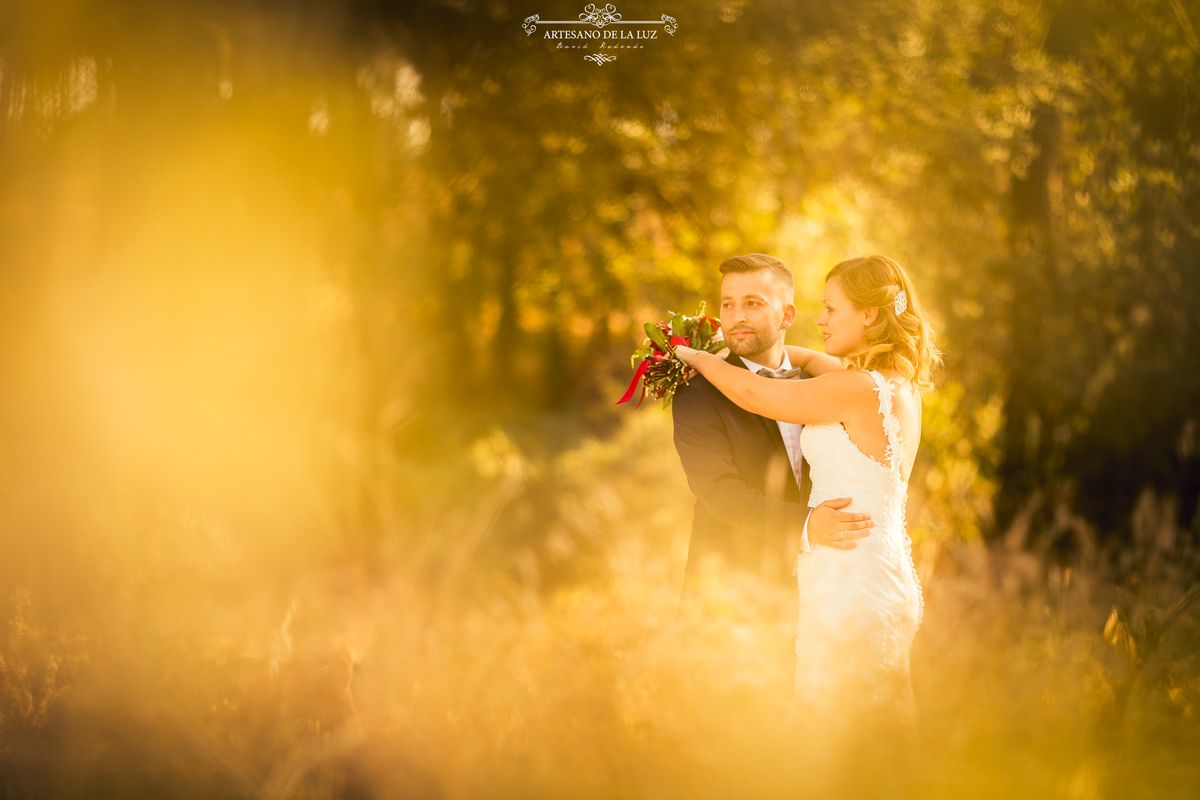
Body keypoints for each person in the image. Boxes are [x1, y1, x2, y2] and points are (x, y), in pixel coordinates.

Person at [674, 254, 941, 728]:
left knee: (832, 728)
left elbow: (756, 395)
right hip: (875, 569)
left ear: (869, 315)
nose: (822, 319)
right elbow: (721, 489)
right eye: (728, 305)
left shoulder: (852, 387)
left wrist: (690, 355)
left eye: (832, 309)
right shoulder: (893, 384)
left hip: (847, 576)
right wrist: (755, 350)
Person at [671, 254, 878, 605]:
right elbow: (720, 493)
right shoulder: (698, 392)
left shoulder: (825, 385)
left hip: (821, 588)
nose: (737, 317)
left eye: (753, 303)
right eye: (728, 304)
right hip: (728, 595)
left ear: (787, 315)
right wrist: (806, 525)